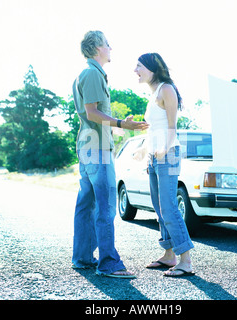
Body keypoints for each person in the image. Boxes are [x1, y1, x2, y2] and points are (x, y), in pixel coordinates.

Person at [72, 31, 149, 278]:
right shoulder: (93, 73)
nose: (110, 48)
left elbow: (91, 115)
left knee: (87, 204)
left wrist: (117, 125)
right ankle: (108, 263)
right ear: (96, 47)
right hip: (97, 149)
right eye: (107, 44)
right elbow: (93, 112)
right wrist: (121, 124)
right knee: (105, 206)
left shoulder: (86, 74)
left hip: (88, 147)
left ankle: (82, 258)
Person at [134, 53, 195, 277]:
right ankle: (169, 255)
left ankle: (185, 260)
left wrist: (164, 149)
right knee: (159, 208)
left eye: (139, 66)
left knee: (169, 206)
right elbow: (154, 129)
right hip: (154, 155)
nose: (135, 70)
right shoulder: (153, 94)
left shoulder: (167, 89)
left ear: (152, 68)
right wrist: (145, 149)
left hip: (167, 155)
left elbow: (172, 126)